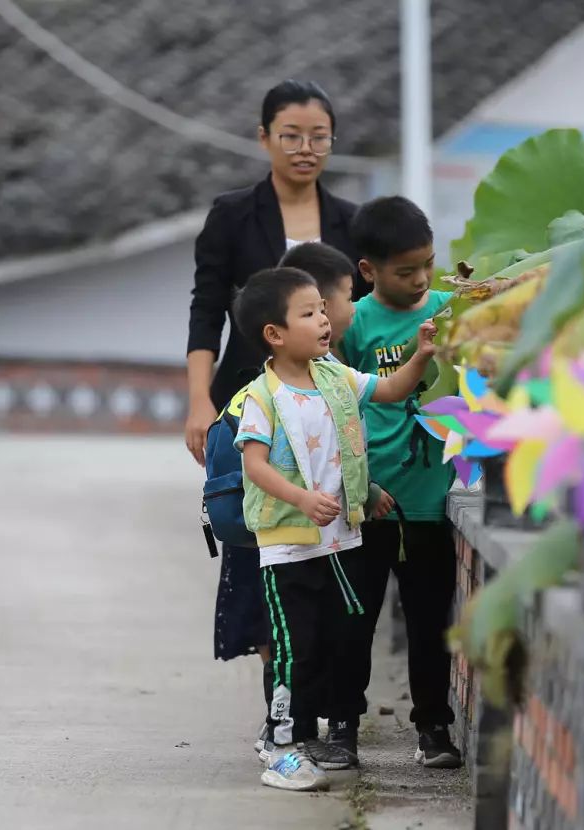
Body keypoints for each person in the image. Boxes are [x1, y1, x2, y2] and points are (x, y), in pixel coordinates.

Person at [184, 80, 359, 744]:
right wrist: (199, 399)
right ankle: (281, 708)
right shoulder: (233, 216)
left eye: (318, 136)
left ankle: (328, 707)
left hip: (327, 406)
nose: (305, 148)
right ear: (263, 138)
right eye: (290, 135)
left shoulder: (349, 220)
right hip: (248, 401)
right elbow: (205, 309)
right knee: (261, 547)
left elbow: (358, 317)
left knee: (326, 553)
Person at [232, 266, 436, 791]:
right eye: (309, 313)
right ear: (274, 334)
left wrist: (420, 357)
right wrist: (301, 499)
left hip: (335, 542)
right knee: (293, 648)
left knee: (323, 644)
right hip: (287, 547)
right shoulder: (262, 395)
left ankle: (298, 738)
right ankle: (281, 748)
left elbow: (389, 390)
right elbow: (254, 464)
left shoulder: (336, 376)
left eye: (324, 309)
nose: (325, 321)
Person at [338, 196, 463, 770]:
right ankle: (341, 724)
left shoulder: (448, 311)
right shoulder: (350, 323)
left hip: (430, 501)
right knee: (354, 619)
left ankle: (434, 728)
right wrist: (354, 484)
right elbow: (334, 408)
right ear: (368, 270)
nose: (420, 281)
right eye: (404, 271)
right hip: (365, 503)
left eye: (427, 266)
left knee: (431, 620)